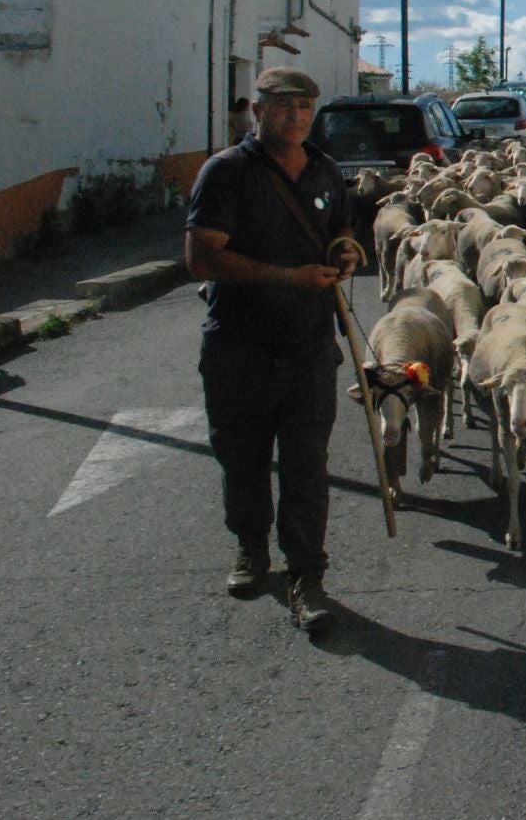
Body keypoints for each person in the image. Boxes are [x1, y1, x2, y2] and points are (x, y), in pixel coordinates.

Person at [185, 66, 361, 635]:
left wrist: (346, 252)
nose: (296, 116)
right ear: (257, 112)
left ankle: (306, 575)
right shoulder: (227, 172)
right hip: (239, 345)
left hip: (309, 346)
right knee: (242, 456)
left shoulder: (327, 171)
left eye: (305, 107)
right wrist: (288, 277)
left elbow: (341, 234)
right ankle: (251, 546)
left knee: (307, 466)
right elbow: (202, 257)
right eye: (284, 106)